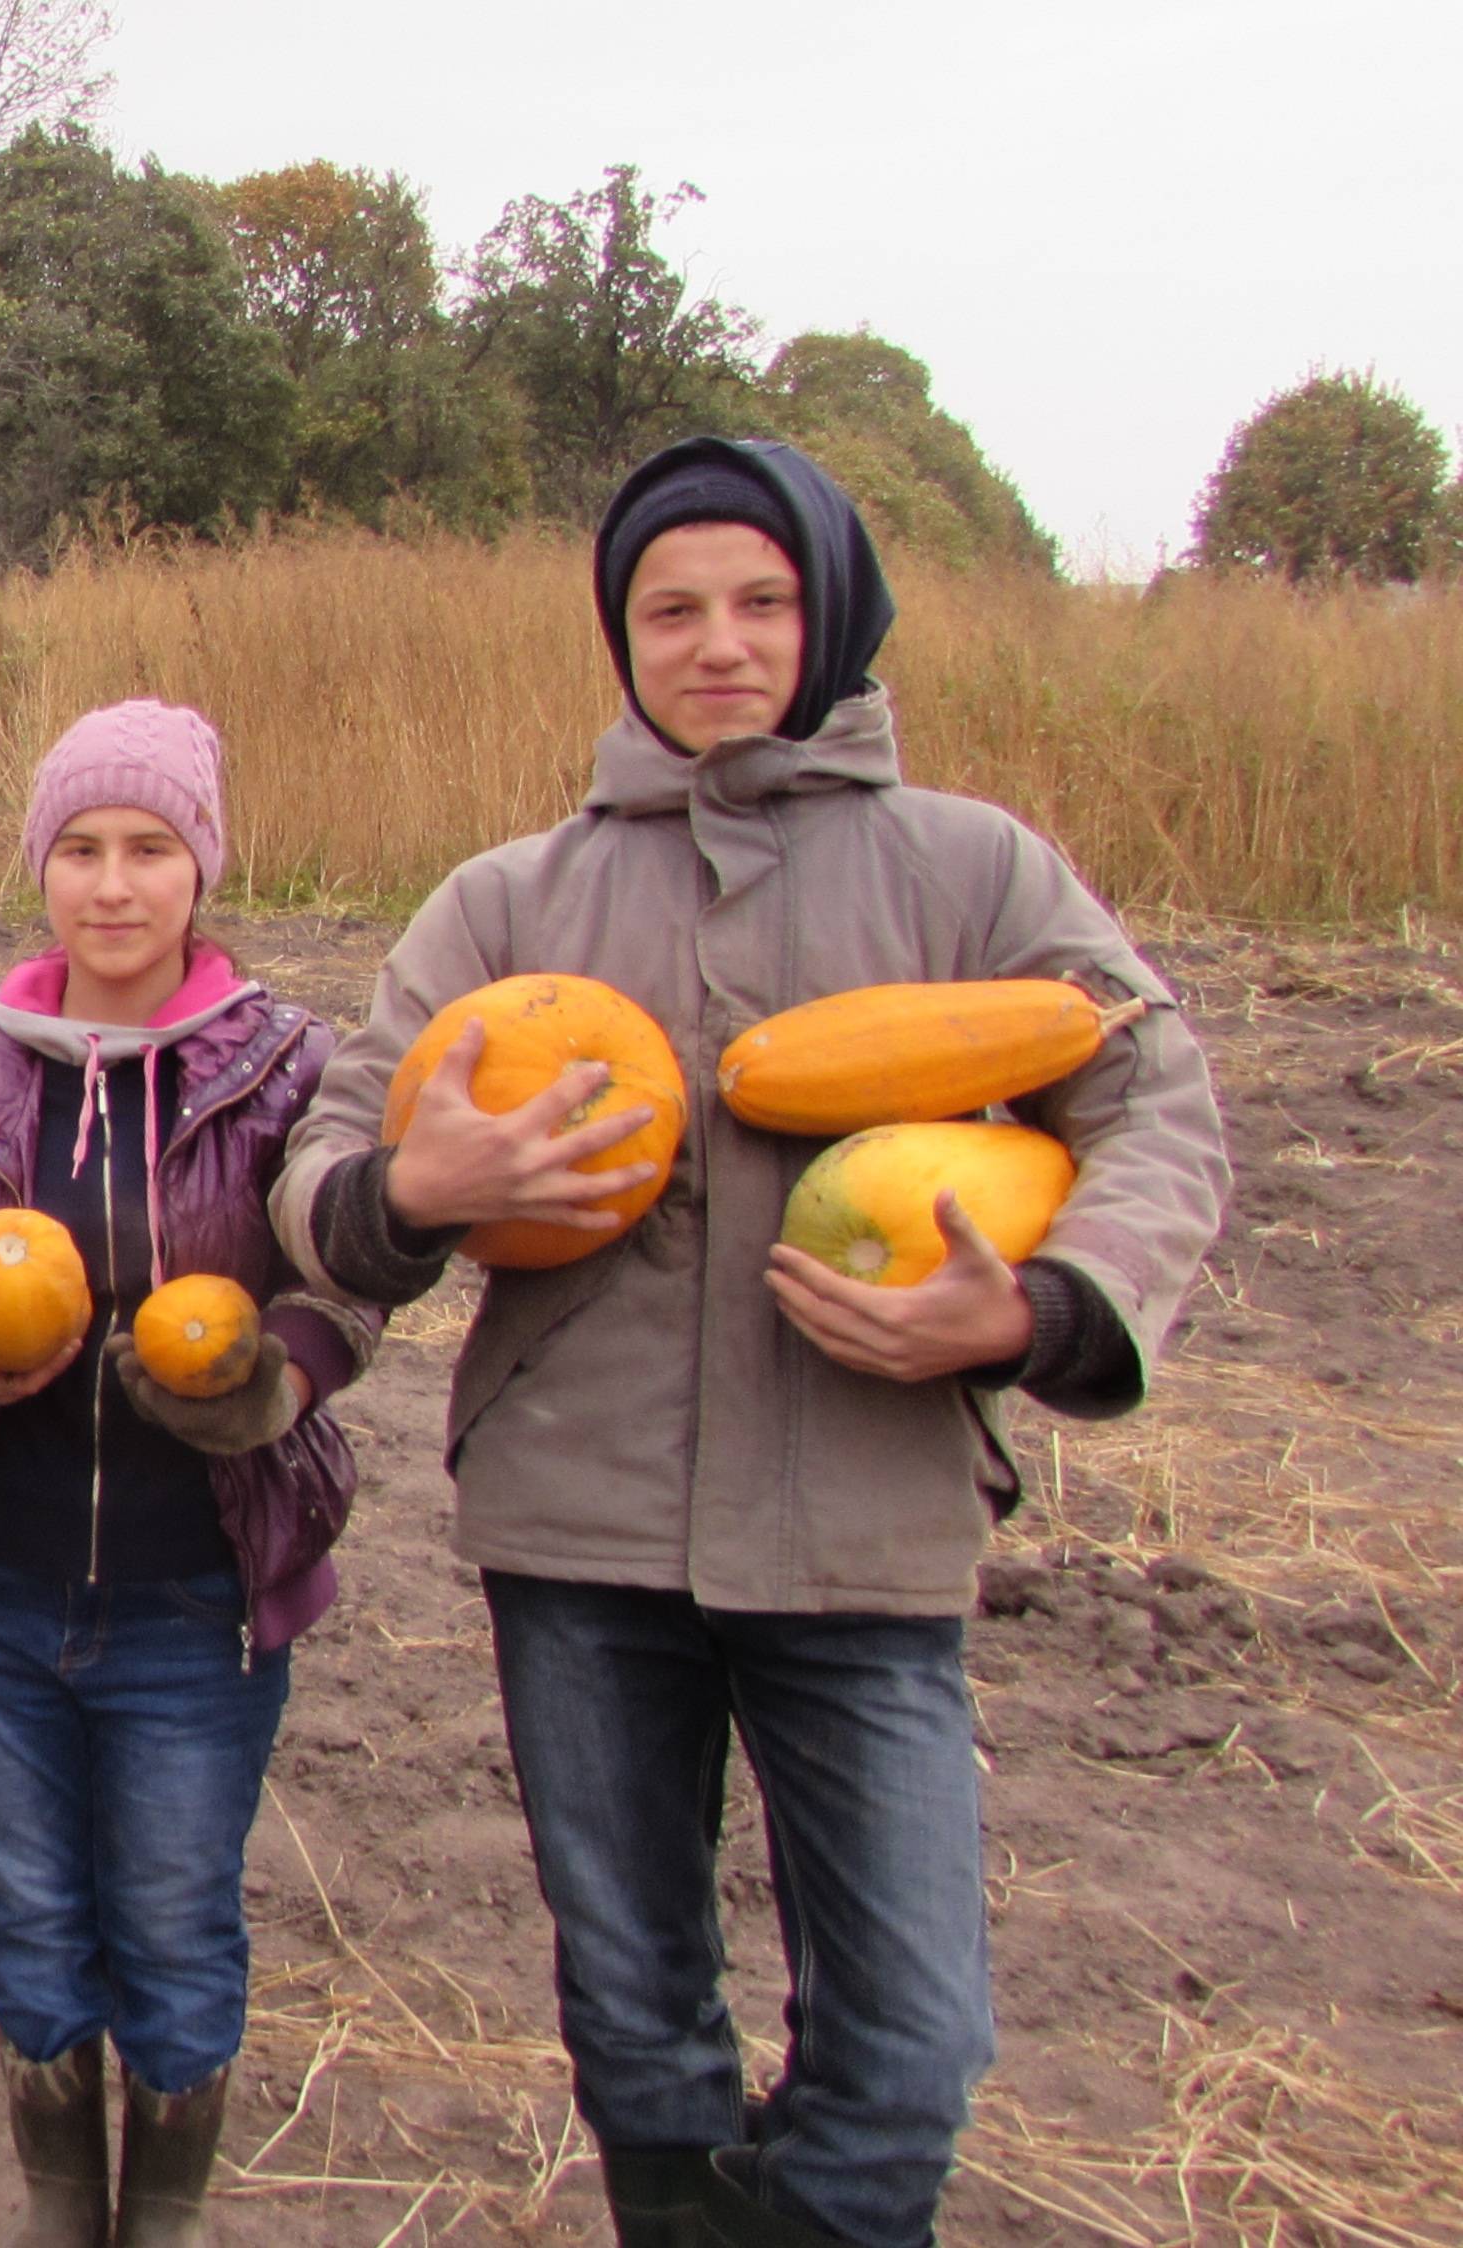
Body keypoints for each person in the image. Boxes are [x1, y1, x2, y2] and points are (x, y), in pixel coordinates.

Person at [272, 439, 1229, 2248]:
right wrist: (415, 1184)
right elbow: (322, 1176)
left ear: (834, 612)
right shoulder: (509, 904)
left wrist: (1034, 1308)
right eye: (672, 609)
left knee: (914, 2047)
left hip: (863, 1526)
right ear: (621, 638)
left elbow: (1155, 1111)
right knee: (637, 2024)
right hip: (582, 1526)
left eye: (763, 601)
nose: (719, 643)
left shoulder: (975, 873)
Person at [0, 703, 378, 2248]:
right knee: (28, 1918)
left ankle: (160, 2228)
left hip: (192, 1596)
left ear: (201, 868)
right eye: (80, 848)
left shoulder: (289, 1065)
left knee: (170, 1925)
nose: (112, 883)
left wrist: (277, 1376)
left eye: (149, 848)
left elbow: (346, 1275)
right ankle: (57, 2220)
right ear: (42, 867)